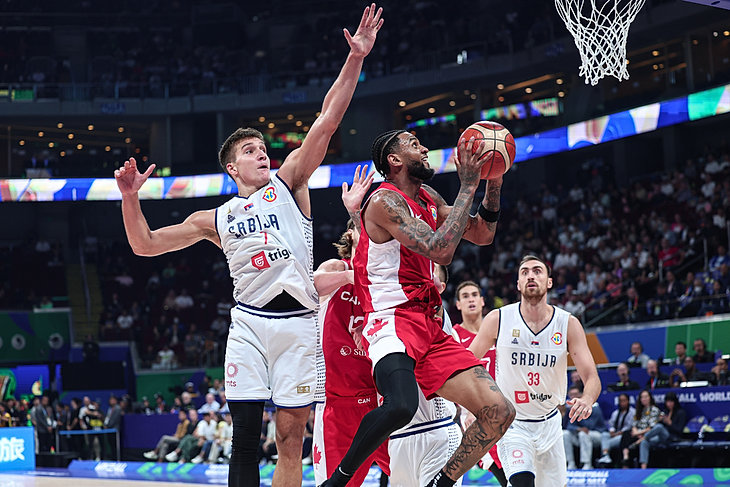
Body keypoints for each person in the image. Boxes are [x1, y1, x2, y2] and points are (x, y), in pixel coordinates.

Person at [113, 5, 383, 486]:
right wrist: (130, 198)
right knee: (243, 438)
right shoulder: (213, 218)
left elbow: (327, 119)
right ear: (232, 168)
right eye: (250, 151)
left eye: (263, 149)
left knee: (290, 440)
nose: (263, 155)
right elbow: (145, 245)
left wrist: (356, 57)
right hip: (250, 325)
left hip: (298, 323)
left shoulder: (290, 181)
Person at [322, 131, 514, 487]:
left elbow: (482, 234)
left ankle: (440, 484)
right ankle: (337, 481)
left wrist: (493, 181)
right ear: (394, 160)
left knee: (499, 412)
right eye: (413, 144)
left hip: (429, 323)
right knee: (400, 405)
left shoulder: (428, 197)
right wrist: (468, 185)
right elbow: (440, 250)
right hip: (390, 319)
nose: (424, 148)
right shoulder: (384, 201)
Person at [470, 255, 601, 487]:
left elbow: (591, 377)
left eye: (537, 271)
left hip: (550, 423)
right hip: (513, 424)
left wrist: (587, 399)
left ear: (549, 282)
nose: (531, 275)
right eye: (525, 272)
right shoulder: (498, 319)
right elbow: (466, 364)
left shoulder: (568, 323)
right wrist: (472, 406)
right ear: (518, 284)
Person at [312, 166, 391, 487]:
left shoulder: (386, 279)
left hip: (382, 400)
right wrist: (352, 275)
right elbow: (312, 285)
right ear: (350, 236)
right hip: (338, 401)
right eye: (362, 228)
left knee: (412, 476)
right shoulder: (338, 267)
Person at [451, 280, 506, 486]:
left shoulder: (499, 331)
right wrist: (469, 410)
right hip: (477, 416)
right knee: (506, 475)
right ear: (458, 304)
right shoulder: (454, 336)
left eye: (474, 295)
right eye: (465, 296)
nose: (471, 299)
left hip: (508, 410)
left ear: (482, 301)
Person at [562, 385, 606, 470]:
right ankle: (570, 463)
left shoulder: (594, 406)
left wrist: (580, 427)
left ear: (581, 394)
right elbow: (569, 426)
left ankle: (587, 464)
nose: (574, 397)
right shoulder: (571, 408)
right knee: (565, 434)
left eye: (575, 394)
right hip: (581, 435)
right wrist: (578, 428)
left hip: (597, 434)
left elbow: (590, 426)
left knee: (583, 434)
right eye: (571, 395)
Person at [638, 391, 686, 469]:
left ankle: (643, 437)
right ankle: (643, 467)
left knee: (659, 427)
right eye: (667, 402)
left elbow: (679, 430)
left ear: (675, 402)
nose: (669, 404)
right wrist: (660, 420)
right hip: (660, 436)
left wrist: (670, 423)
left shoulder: (681, 413)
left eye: (671, 402)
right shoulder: (665, 412)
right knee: (644, 442)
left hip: (671, 436)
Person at [619, 390, 662, 468]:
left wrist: (639, 433)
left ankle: (642, 467)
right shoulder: (639, 410)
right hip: (638, 434)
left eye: (646, 397)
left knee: (642, 441)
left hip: (648, 434)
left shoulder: (654, 410)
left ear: (650, 398)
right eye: (642, 397)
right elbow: (634, 424)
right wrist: (636, 432)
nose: (644, 399)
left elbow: (652, 427)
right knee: (626, 433)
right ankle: (625, 458)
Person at [597, 393, 635, 466]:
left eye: (624, 400)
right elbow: (611, 424)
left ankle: (605, 453)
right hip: (615, 434)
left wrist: (618, 433)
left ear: (628, 401)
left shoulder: (633, 412)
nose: (622, 403)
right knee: (604, 434)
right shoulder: (616, 412)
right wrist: (612, 430)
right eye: (620, 401)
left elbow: (630, 426)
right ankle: (606, 456)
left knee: (606, 443)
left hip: (625, 436)